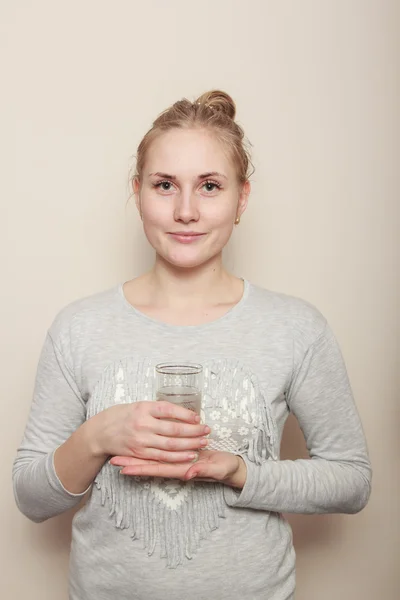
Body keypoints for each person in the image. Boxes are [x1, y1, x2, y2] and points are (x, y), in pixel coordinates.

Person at [12, 90, 371, 600]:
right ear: (137, 193)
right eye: (164, 185)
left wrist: (239, 471)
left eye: (208, 186)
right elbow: (31, 498)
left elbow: (351, 479)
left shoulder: (296, 328)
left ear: (241, 198)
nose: (185, 210)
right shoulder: (79, 328)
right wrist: (97, 436)